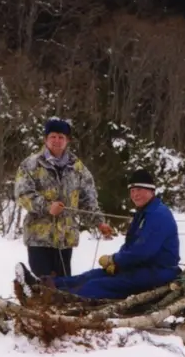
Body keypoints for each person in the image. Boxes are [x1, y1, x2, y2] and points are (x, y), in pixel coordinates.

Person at [17, 168, 180, 300]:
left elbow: (143, 251)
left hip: (157, 272)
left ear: (151, 191)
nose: (135, 194)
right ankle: (40, 284)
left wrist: (115, 260)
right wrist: (116, 262)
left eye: (139, 190)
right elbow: (131, 245)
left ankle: (53, 300)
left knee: (96, 285)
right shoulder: (143, 213)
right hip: (139, 268)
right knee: (89, 275)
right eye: (132, 190)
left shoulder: (158, 215)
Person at [13, 117, 113, 278]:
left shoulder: (78, 167)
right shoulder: (30, 165)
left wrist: (99, 222)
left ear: (68, 140)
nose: (57, 141)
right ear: (46, 139)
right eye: (53, 137)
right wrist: (46, 207)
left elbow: (88, 200)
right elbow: (23, 195)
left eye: (61, 137)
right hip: (39, 237)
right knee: (44, 283)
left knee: (63, 286)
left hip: (65, 237)